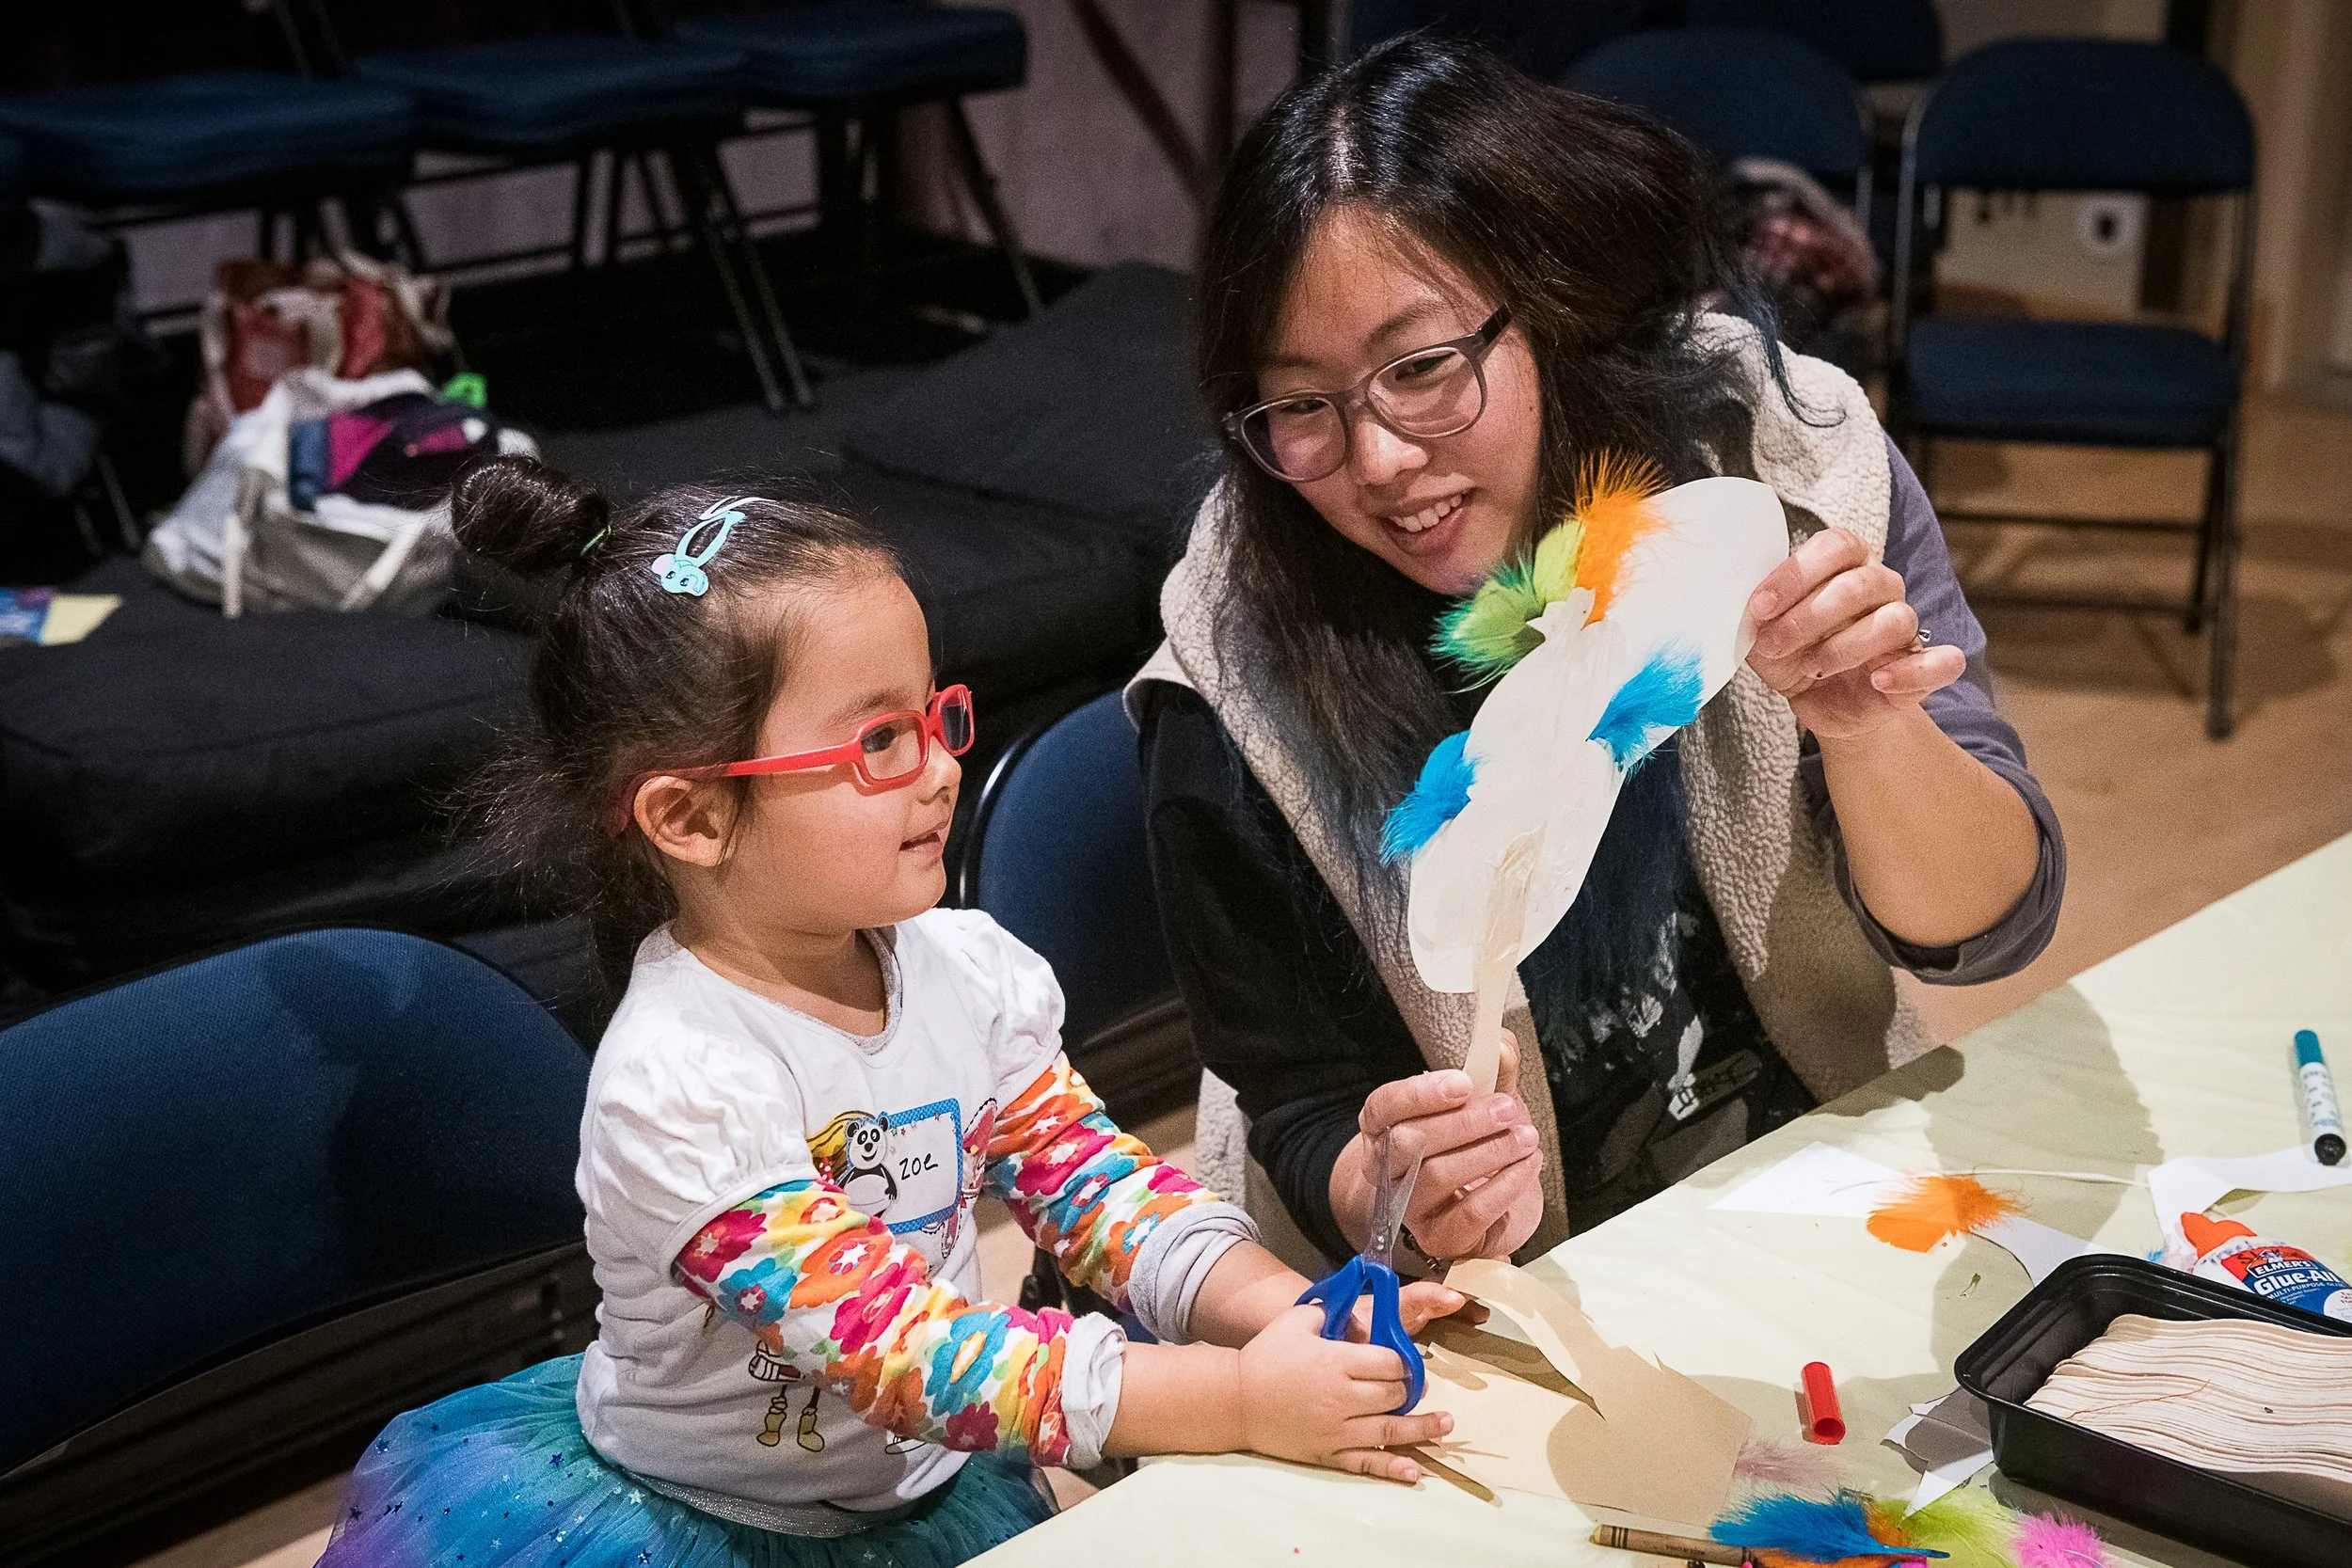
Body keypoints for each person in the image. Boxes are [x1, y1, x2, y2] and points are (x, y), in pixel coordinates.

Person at [316, 458, 1464, 1568]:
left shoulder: (969, 970)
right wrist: (1231, 1398)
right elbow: (909, 1355)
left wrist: (1284, 1314)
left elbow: (1103, 1188)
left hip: (915, 1489)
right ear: (692, 817)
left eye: (932, 712)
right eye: (879, 740)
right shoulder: (679, 1082)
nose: (939, 767)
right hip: (699, 1524)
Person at [1136, 36, 2064, 1272]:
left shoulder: (1785, 462)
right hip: (1490, 1302)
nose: (1378, 460)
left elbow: (1991, 928)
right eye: (1301, 405)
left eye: (1421, 369)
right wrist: (1403, 1187)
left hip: (1822, 1185)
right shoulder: (1232, 671)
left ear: (1554, 305)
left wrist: (1872, 726)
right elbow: (1297, 1110)